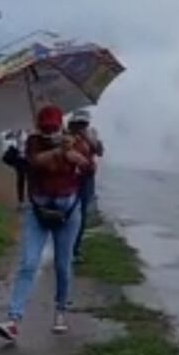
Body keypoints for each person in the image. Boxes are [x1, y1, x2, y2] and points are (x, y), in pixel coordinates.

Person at [0, 105, 89, 343]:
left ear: (60, 126)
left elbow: (89, 165)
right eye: (45, 130)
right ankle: (14, 320)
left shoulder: (74, 140)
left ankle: (60, 312)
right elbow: (36, 162)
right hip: (38, 212)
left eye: (53, 129)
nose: (49, 134)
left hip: (68, 213)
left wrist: (74, 153)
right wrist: (60, 152)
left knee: (62, 266)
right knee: (28, 263)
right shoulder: (33, 142)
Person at [68, 111, 104, 262]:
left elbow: (100, 151)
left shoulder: (91, 135)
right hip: (69, 179)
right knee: (68, 212)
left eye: (84, 124)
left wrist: (89, 138)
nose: (81, 127)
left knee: (82, 213)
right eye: (78, 125)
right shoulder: (67, 137)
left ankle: (75, 248)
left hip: (86, 178)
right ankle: (66, 246)